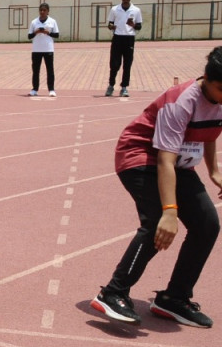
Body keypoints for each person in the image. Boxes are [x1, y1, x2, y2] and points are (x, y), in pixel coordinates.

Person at [89, 46, 222, 330]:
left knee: (207, 224)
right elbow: (164, 159)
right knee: (156, 223)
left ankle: (174, 298)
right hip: (140, 157)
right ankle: (113, 292)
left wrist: (214, 171)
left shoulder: (219, 98)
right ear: (206, 79)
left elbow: (210, 129)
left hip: (177, 164)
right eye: (221, 88)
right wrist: (170, 211)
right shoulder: (181, 101)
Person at [106, 0, 142, 97]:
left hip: (129, 39)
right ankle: (111, 85)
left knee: (127, 64)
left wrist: (133, 25)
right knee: (114, 64)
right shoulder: (114, 9)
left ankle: (124, 87)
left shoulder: (136, 10)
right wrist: (112, 27)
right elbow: (109, 24)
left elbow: (139, 26)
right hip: (117, 38)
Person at [27, 3, 60, 97]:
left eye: (44, 10)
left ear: (48, 11)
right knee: (36, 70)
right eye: (41, 10)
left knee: (50, 70)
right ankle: (34, 89)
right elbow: (29, 36)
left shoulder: (52, 21)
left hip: (48, 49)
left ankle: (51, 89)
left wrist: (47, 32)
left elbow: (57, 35)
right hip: (36, 50)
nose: (42, 12)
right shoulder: (34, 22)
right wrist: (36, 32)